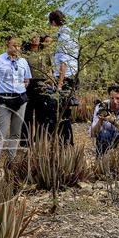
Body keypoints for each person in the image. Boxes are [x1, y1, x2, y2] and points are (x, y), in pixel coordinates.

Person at [0, 35, 32, 165]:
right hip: (4, 99)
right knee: (0, 132)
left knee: (16, 133)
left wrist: (20, 88)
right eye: (14, 45)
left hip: (21, 99)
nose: (16, 48)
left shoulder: (23, 61)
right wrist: (3, 90)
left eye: (19, 46)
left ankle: (11, 161)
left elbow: (27, 80)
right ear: (7, 44)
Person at [49, 10, 77, 145]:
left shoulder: (64, 37)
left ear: (54, 22)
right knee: (63, 112)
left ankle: (66, 143)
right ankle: (64, 142)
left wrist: (59, 84)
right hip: (69, 77)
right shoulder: (69, 34)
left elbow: (64, 62)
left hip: (65, 79)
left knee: (61, 112)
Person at [23, 34, 55, 143]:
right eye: (33, 37)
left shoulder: (45, 53)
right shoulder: (25, 54)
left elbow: (50, 69)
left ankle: (39, 139)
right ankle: (25, 140)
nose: (35, 39)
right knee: (27, 113)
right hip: (28, 84)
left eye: (37, 37)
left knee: (41, 113)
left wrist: (50, 79)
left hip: (42, 84)